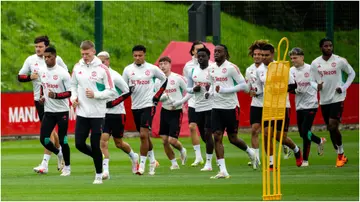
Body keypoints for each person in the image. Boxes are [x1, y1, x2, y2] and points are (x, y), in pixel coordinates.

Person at [18, 35, 67, 173]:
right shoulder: (30, 60)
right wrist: (29, 77)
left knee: (48, 131)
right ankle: (60, 154)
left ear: (46, 47)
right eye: (36, 47)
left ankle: (45, 164)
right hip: (38, 99)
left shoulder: (56, 59)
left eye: (40, 46)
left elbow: (67, 75)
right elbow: (19, 76)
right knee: (51, 131)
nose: (38, 49)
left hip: (53, 99)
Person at [208, 44, 257, 179]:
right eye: (215, 51)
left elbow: (244, 85)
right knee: (217, 136)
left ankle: (250, 152)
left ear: (225, 53)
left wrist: (225, 90)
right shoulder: (211, 68)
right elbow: (212, 85)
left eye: (219, 51)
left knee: (232, 138)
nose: (216, 53)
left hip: (231, 107)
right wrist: (209, 92)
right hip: (216, 107)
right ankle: (223, 170)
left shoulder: (231, 68)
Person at [70, 40, 115, 184]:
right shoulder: (77, 67)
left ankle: (98, 175)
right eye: (82, 54)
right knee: (79, 144)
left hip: (97, 114)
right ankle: (98, 157)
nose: (84, 56)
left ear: (93, 52)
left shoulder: (103, 69)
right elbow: (73, 85)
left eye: (87, 53)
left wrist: (96, 95)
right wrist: (74, 98)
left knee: (95, 144)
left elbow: (111, 91)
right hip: (82, 113)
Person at [256, 43, 303, 169]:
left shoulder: (282, 67)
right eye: (262, 55)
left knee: (280, 136)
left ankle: (296, 149)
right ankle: (271, 163)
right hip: (267, 106)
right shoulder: (259, 70)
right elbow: (260, 89)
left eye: (266, 55)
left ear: (272, 54)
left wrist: (281, 90)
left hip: (282, 105)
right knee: (266, 134)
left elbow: (293, 85)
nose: (263, 58)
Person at [122, 45, 167, 175]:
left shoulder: (152, 69)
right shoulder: (128, 70)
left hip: (149, 104)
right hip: (135, 106)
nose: (137, 58)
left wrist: (157, 96)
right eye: (135, 56)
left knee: (142, 134)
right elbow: (123, 87)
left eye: (140, 55)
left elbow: (164, 80)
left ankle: (141, 166)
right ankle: (152, 160)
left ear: (144, 55)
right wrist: (128, 90)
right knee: (145, 136)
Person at [310, 38, 355, 167]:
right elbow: (312, 81)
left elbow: (352, 74)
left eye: (330, 46)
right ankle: (340, 154)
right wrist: (316, 86)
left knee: (333, 124)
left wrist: (343, 87)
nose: (329, 48)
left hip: (338, 97)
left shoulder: (339, 60)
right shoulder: (315, 63)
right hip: (324, 99)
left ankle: (340, 154)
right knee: (330, 128)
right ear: (321, 48)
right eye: (326, 46)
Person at [96, 51, 139, 179]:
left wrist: (113, 103)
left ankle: (133, 156)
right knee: (103, 142)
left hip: (117, 113)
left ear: (108, 61)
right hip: (103, 114)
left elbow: (127, 91)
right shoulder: (96, 76)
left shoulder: (115, 76)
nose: (101, 65)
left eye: (103, 62)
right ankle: (106, 171)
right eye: (99, 62)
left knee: (118, 143)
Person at [289, 47, 327, 167]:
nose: (293, 60)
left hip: (311, 104)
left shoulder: (311, 69)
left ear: (302, 57)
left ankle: (305, 160)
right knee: (303, 133)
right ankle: (319, 141)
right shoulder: (290, 71)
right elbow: (289, 88)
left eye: (295, 57)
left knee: (305, 131)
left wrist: (318, 87)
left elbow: (320, 83)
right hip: (299, 105)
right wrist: (295, 91)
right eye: (291, 58)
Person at [38, 47, 71, 176]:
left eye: (49, 57)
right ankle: (59, 153)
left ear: (55, 57)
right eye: (44, 57)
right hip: (49, 111)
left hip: (62, 111)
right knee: (44, 139)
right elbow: (43, 87)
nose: (46, 59)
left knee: (63, 140)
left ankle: (67, 167)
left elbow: (70, 92)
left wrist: (56, 96)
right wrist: (42, 97)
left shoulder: (63, 73)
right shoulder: (42, 71)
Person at [157, 56, 189, 170]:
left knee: (172, 140)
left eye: (165, 63)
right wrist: (162, 98)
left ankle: (182, 150)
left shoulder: (178, 78)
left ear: (170, 65)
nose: (162, 66)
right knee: (164, 141)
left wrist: (180, 102)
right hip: (164, 111)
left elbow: (189, 92)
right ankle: (174, 163)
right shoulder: (157, 81)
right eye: (160, 64)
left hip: (176, 111)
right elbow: (155, 97)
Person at [186, 47, 215, 171]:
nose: (201, 58)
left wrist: (211, 90)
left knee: (208, 132)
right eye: (199, 56)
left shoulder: (213, 70)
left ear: (209, 57)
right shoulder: (192, 71)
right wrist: (193, 89)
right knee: (203, 135)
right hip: (198, 106)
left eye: (203, 56)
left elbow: (218, 85)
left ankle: (208, 163)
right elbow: (187, 88)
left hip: (212, 106)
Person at [244, 40, 268, 166]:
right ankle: (256, 159)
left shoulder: (269, 67)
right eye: (255, 54)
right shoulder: (249, 70)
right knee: (254, 130)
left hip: (268, 103)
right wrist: (250, 92)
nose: (257, 56)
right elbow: (248, 87)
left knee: (269, 133)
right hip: (256, 104)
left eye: (259, 54)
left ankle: (285, 146)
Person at [182, 41, 205, 166]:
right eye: (197, 50)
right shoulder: (188, 66)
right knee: (192, 126)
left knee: (206, 130)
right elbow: (187, 85)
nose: (199, 52)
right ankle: (198, 157)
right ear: (192, 51)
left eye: (202, 49)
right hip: (193, 101)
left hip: (206, 102)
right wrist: (183, 101)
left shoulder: (210, 65)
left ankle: (211, 155)